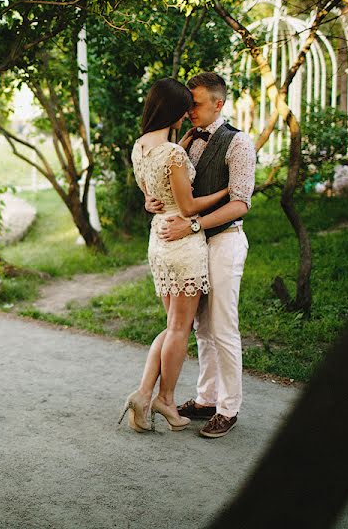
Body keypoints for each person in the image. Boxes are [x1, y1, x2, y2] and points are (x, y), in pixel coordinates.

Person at [147, 72, 256, 438]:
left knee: (224, 327)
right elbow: (176, 188)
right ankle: (206, 398)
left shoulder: (239, 144)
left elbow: (240, 203)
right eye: (188, 104)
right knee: (201, 327)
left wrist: (193, 226)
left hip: (224, 242)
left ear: (218, 104)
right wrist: (153, 199)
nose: (189, 110)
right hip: (191, 247)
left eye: (196, 104)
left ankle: (229, 407)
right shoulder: (186, 141)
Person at [119, 78, 229, 433]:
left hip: (158, 242)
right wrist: (226, 192)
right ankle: (164, 399)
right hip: (182, 244)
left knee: (172, 327)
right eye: (185, 106)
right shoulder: (174, 154)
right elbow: (187, 204)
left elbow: (154, 192)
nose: (189, 112)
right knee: (180, 328)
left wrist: (152, 201)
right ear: (174, 111)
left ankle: (143, 392)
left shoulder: (141, 147)